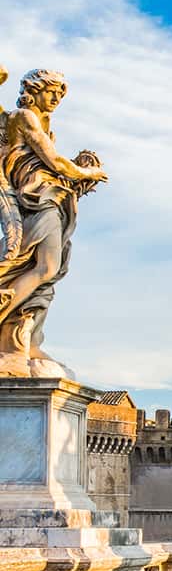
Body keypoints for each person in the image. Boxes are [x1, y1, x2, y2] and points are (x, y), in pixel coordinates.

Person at [0, 69, 107, 374]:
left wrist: (77, 179)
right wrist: (86, 173)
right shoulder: (23, 118)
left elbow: (55, 169)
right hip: (36, 200)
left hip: (54, 200)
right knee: (43, 266)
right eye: (52, 91)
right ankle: (8, 331)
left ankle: (26, 338)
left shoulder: (45, 127)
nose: (56, 99)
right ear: (34, 89)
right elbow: (54, 163)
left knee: (51, 270)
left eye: (61, 94)